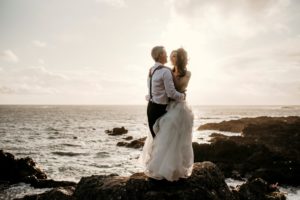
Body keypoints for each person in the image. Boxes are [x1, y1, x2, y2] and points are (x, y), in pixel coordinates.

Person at [140, 47, 194, 182]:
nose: (171, 58)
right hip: (168, 105)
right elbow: (167, 90)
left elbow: (178, 88)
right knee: (164, 137)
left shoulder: (186, 73)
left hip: (178, 107)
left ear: (180, 58)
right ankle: (160, 167)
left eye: (174, 56)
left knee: (176, 138)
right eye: (170, 55)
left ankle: (175, 168)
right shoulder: (166, 71)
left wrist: (178, 94)